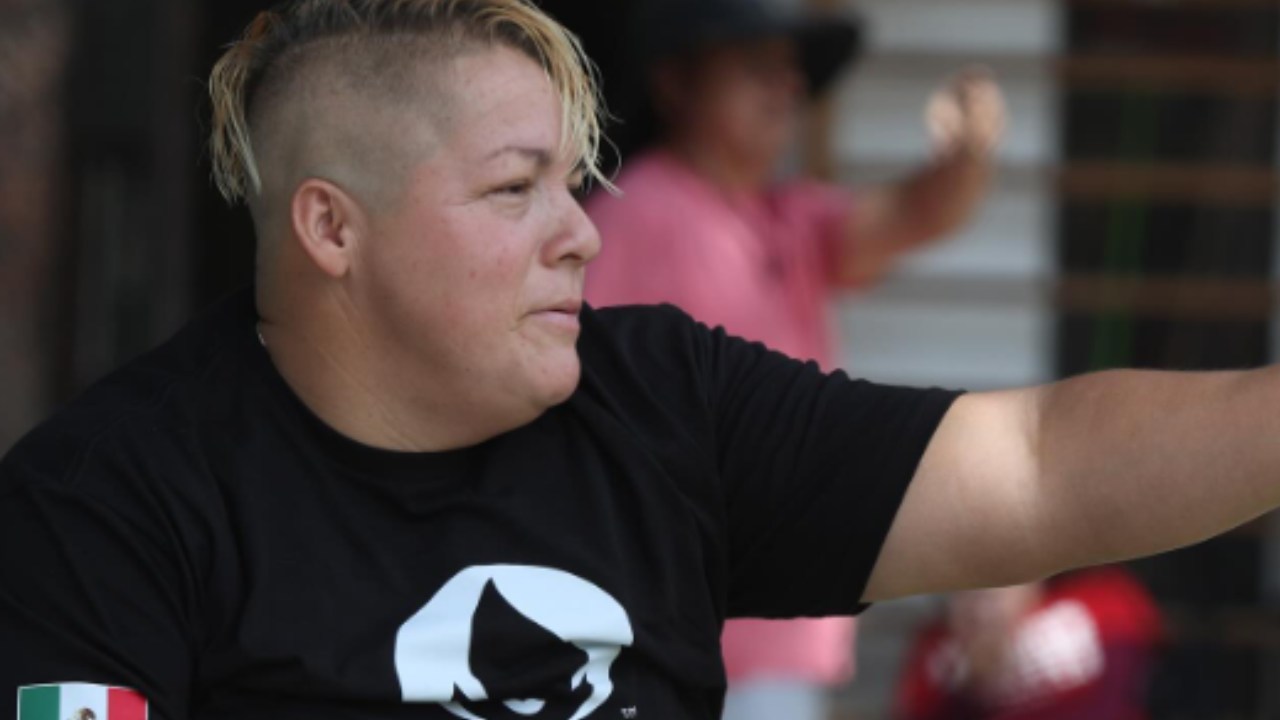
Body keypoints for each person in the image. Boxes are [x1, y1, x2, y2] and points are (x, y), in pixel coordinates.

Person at [1, 1, 1279, 719]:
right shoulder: (105, 500)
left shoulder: (659, 403)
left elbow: (1038, 463)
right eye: (515, 189)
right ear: (332, 227)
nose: (577, 237)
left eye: (575, 183)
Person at [582, 2, 1005, 717]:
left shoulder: (786, 214)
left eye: (790, 72)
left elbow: (913, 213)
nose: (784, 89)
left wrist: (967, 152)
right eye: (754, 69)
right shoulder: (631, 215)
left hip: (775, 618)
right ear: (677, 83)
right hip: (675, 623)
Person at [893, 568, 1162, 720]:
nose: (982, 601)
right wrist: (974, 686)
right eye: (966, 592)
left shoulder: (1100, 603)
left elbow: (1148, 661)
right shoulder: (938, 654)